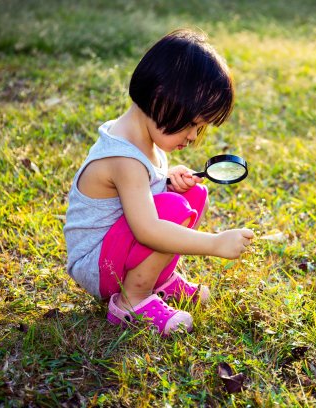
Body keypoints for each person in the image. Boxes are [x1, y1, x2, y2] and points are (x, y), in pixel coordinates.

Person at [63, 29, 254, 337]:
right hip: (97, 267)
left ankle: (159, 282)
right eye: (192, 124)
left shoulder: (143, 137)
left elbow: (137, 194)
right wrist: (215, 243)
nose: (193, 136)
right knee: (174, 209)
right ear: (160, 97)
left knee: (193, 192)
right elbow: (148, 229)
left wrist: (166, 179)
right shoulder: (124, 158)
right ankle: (132, 301)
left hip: (116, 250)